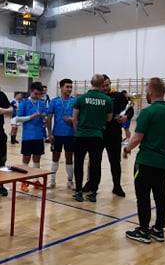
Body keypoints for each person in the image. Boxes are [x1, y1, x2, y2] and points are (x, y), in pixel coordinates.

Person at [125, 77, 165, 244]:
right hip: (164, 162)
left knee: (143, 196)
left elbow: (137, 138)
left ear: (150, 92)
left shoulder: (147, 112)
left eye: (146, 91)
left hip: (146, 162)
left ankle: (143, 231)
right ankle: (158, 229)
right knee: (161, 194)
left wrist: (126, 149)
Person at [72, 73, 114, 203]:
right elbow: (109, 119)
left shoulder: (81, 99)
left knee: (78, 164)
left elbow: (74, 118)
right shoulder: (107, 100)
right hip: (97, 136)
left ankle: (78, 191)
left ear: (91, 83)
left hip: (81, 136)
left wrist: (78, 131)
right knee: (95, 165)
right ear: (102, 84)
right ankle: (93, 193)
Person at [16, 81, 47, 191]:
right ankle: (23, 182)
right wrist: (31, 117)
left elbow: (45, 115)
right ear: (31, 91)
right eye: (35, 93)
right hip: (28, 136)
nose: (37, 96)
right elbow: (18, 118)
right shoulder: (24, 103)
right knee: (26, 159)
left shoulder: (42, 103)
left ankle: (36, 180)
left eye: (39, 94)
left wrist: (44, 118)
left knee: (37, 159)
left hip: (39, 135)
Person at [46, 79, 76, 190]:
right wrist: (50, 134)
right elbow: (49, 118)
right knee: (55, 158)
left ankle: (70, 181)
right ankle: (52, 181)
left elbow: (78, 117)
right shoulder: (54, 101)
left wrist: (72, 120)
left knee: (69, 158)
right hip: (57, 134)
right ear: (61, 87)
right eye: (67, 87)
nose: (69, 89)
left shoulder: (75, 101)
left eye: (71, 87)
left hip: (70, 134)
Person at [101, 74, 126, 198]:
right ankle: (91, 184)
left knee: (115, 162)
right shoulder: (95, 97)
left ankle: (117, 186)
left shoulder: (118, 96)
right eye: (103, 85)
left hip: (114, 134)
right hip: (98, 134)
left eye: (107, 85)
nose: (106, 87)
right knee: (94, 161)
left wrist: (126, 116)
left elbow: (129, 108)